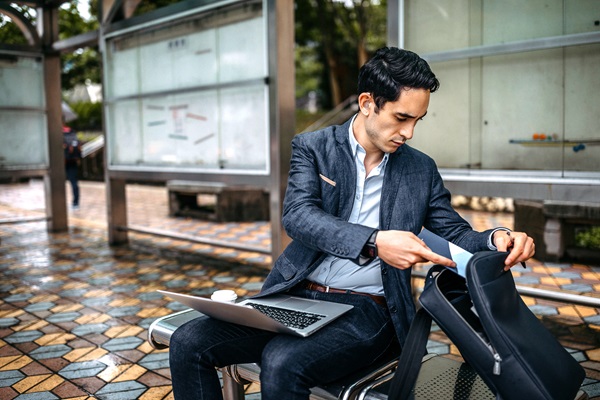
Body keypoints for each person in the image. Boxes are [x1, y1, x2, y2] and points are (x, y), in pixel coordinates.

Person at [169, 47, 535, 400]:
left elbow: (454, 232)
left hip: (369, 310)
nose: (409, 133)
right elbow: (298, 216)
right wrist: (375, 242)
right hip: (297, 295)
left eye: (417, 120)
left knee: (281, 362)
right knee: (188, 342)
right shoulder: (313, 147)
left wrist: (498, 238)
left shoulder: (419, 169)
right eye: (401, 118)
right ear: (367, 104)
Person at [63, 124, 81, 210]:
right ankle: (76, 203)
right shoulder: (71, 131)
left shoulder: (56, 131)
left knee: (57, 184)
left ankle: (59, 202)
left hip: (60, 161)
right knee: (74, 182)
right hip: (72, 160)